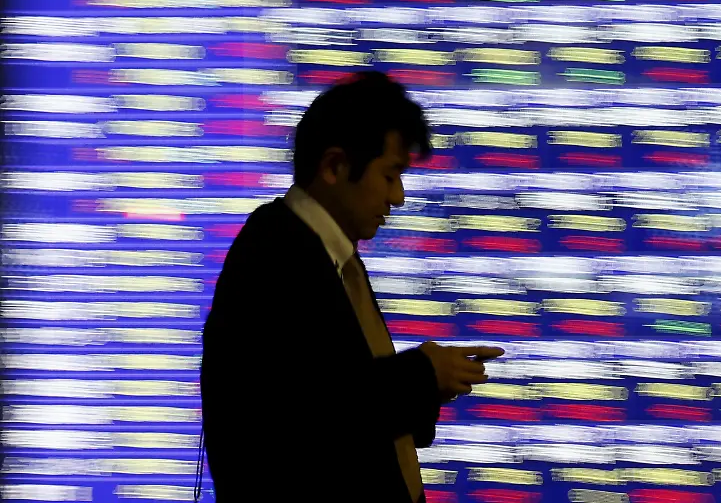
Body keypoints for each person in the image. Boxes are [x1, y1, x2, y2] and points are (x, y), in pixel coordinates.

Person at [198, 72, 504, 502]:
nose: (398, 197)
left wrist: (434, 382)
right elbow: (307, 418)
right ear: (335, 167)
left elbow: (352, 398)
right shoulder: (273, 255)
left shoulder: (331, 252)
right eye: (390, 176)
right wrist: (422, 375)